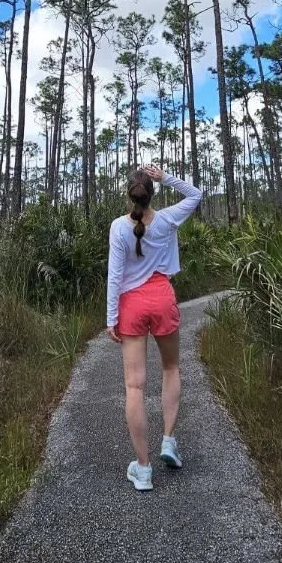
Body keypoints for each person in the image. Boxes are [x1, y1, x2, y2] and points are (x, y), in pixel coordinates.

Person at [106, 165, 203, 491]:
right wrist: (166, 177)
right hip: (163, 298)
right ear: (152, 193)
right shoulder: (167, 219)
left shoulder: (118, 227)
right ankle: (168, 440)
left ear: (128, 194)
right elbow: (196, 194)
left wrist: (110, 318)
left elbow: (115, 276)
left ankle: (144, 469)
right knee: (171, 367)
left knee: (135, 387)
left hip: (131, 306)